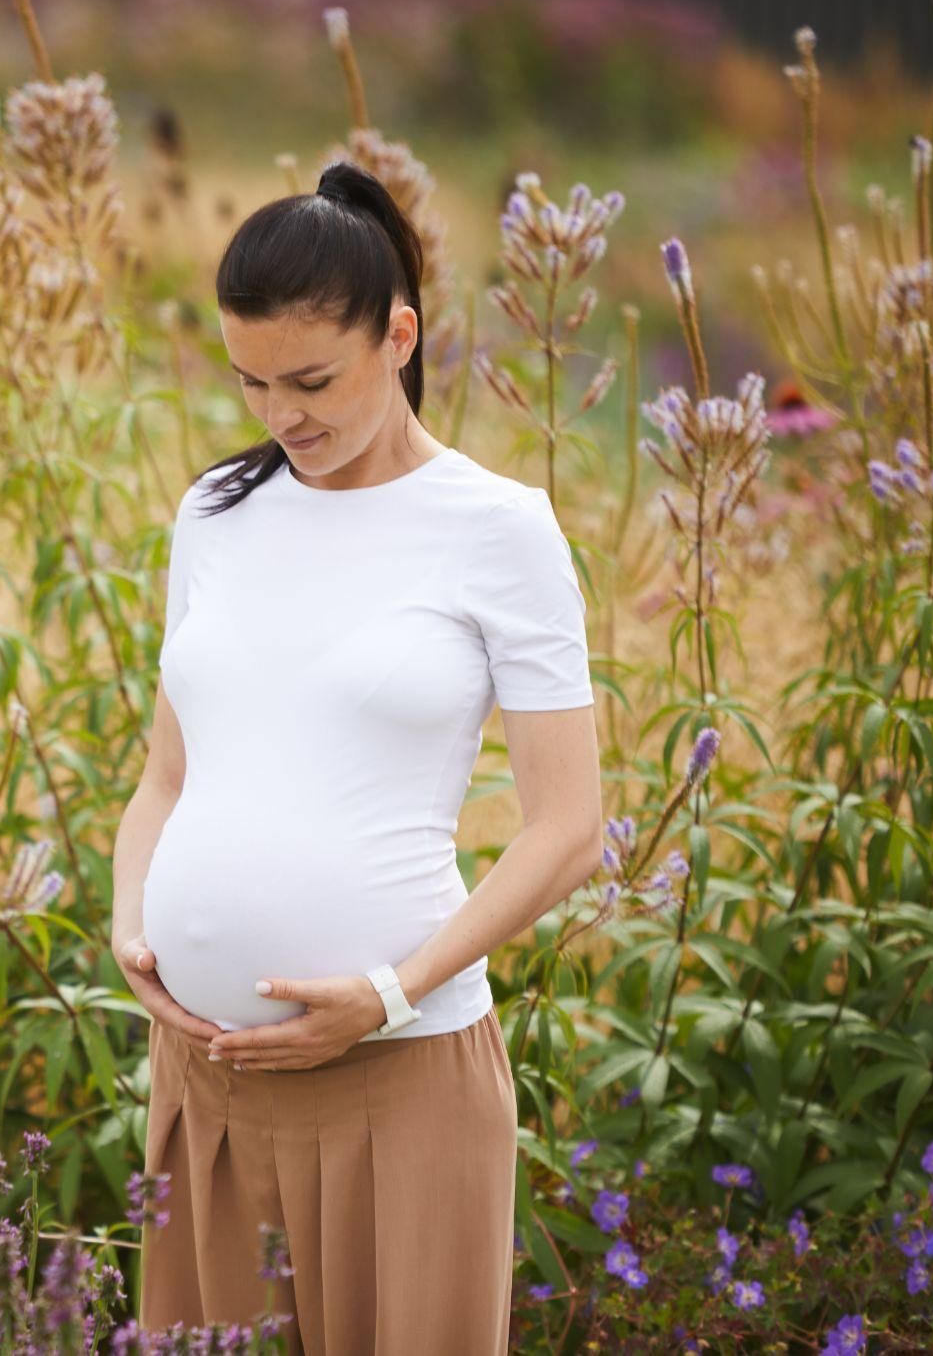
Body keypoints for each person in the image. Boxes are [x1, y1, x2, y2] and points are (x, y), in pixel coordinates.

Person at [111, 160, 606, 1354]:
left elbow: (566, 828)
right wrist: (133, 929)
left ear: (399, 336)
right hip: (204, 1086)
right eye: (250, 383)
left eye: (312, 380)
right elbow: (167, 774)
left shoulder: (496, 529)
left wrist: (386, 995)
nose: (282, 417)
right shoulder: (215, 513)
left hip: (401, 1079)